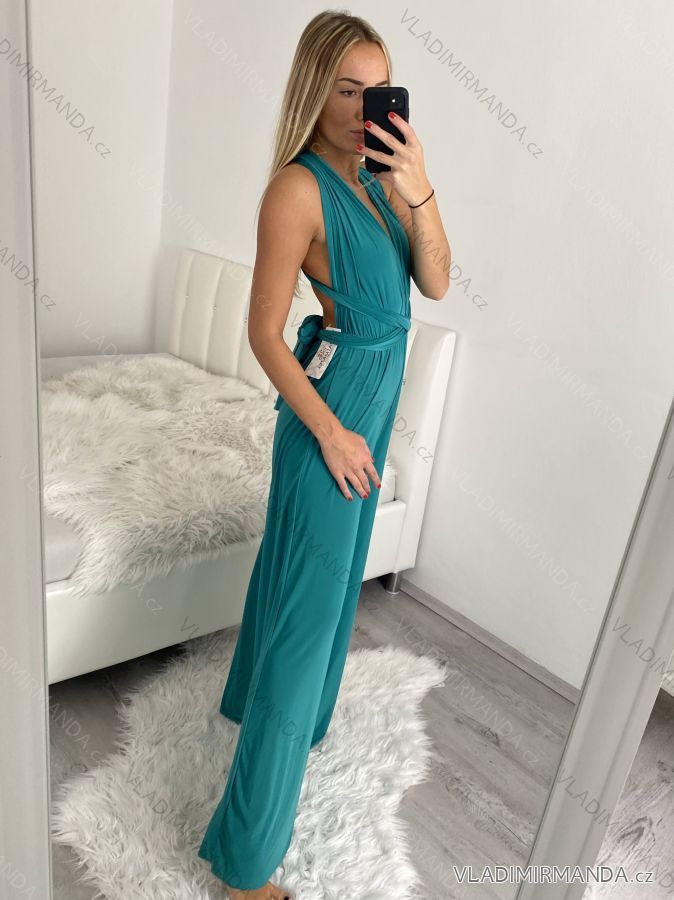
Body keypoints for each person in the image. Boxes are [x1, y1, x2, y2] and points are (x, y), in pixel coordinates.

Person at [198, 10, 450, 899]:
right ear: (315, 89)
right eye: (345, 89)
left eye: (375, 91)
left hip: (365, 411)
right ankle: (245, 867)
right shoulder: (296, 191)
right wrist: (332, 433)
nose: (360, 108)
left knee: (317, 589)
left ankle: (266, 717)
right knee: (306, 626)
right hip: (331, 417)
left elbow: (436, 280)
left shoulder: (384, 182)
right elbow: (264, 334)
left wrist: (418, 184)